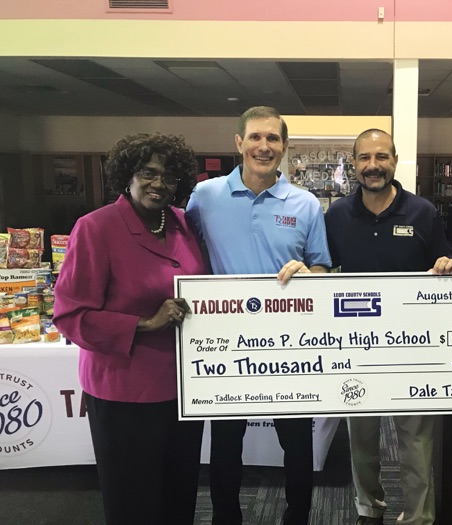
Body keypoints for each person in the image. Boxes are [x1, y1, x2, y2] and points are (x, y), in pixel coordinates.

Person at [186, 106, 331, 525]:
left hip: (290, 342)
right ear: (239, 143)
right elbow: (186, 257)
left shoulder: (304, 204)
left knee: (297, 442)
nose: (263, 146)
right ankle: (226, 518)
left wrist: (310, 271)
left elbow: (321, 266)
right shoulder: (205, 196)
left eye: (272, 138)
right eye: (255, 137)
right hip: (225, 342)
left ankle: (297, 517)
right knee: (227, 443)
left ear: (285, 147)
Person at [53, 133, 207, 525]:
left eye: (169, 176)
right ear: (127, 175)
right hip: (124, 389)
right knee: (133, 502)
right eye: (148, 173)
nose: (159, 183)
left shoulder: (182, 223)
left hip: (183, 389)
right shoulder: (96, 228)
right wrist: (145, 323)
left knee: (179, 494)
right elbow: (71, 315)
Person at [324, 128, 452, 525]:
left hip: (413, 349)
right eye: (364, 158)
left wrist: (448, 266)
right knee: (362, 442)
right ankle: (370, 507)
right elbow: (322, 268)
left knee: (416, 444)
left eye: (381, 157)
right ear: (353, 165)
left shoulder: (423, 212)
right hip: (357, 347)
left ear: (395, 161)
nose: (373, 166)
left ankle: (419, 516)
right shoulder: (336, 215)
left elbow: (444, 262)